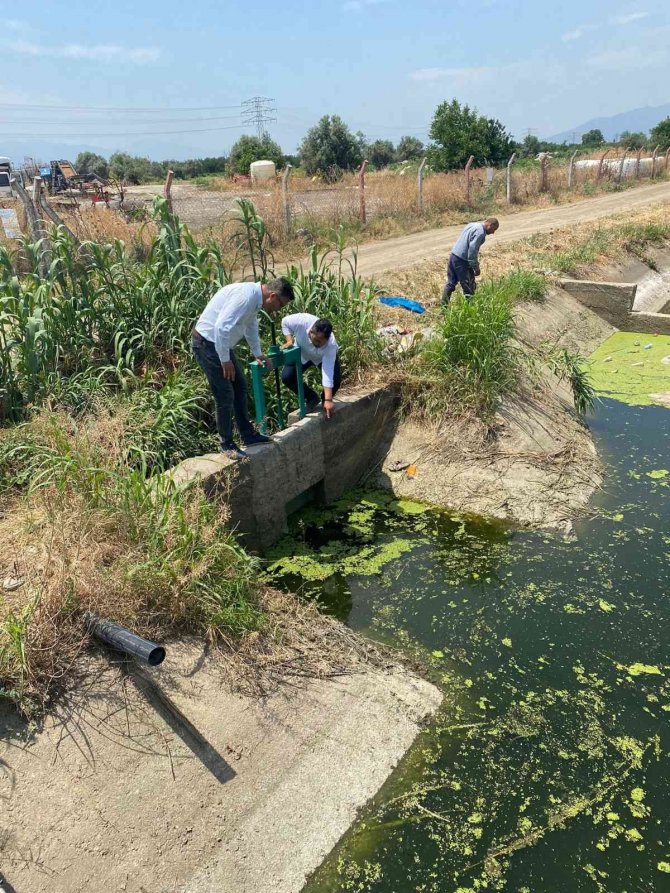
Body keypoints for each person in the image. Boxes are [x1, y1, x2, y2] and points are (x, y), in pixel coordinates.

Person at [192, 277, 294, 458]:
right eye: (280, 305)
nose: (278, 311)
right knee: (225, 394)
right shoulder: (246, 297)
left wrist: (257, 353)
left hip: (219, 345)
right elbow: (221, 327)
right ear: (272, 296)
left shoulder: (254, 300)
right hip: (207, 343)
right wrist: (225, 360)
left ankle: (247, 435)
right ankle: (227, 445)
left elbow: (250, 325)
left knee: (240, 386)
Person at [280, 314, 340, 419]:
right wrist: (289, 340)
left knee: (335, 380)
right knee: (287, 377)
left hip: (321, 358)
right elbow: (285, 322)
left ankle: (323, 401)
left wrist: (328, 400)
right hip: (303, 353)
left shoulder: (330, 345)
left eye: (322, 343)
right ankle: (311, 398)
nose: (319, 344)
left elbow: (327, 373)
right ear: (311, 331)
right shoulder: (301, 321)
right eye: (317, 340)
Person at [442, 217, 499, 304]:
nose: (493, 232)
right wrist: (476, 268)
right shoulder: (480, 233)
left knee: (450, 284)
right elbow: (472, 253)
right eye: (493, 229)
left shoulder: (472, 225)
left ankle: (444, 309)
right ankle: (471, 309)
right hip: (462, 261)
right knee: (469, 287)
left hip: (453, 256)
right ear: (490, 225)